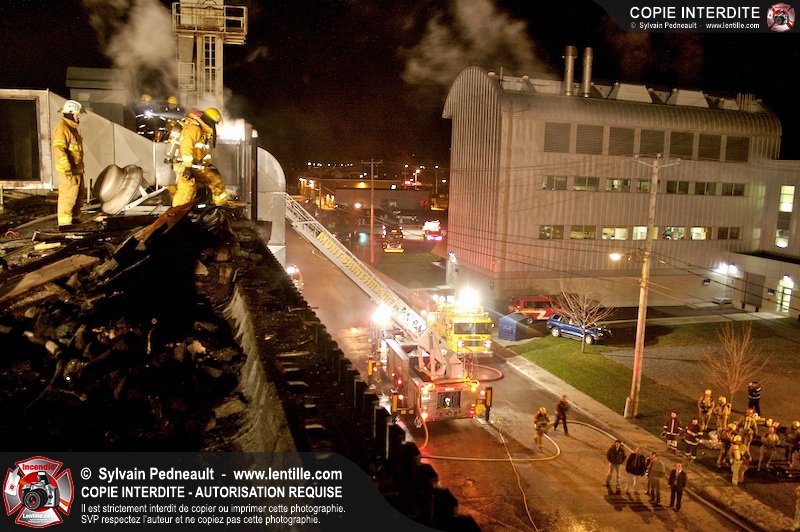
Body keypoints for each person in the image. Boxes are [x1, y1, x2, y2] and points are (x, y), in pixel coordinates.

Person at [170, 107, 229, 208]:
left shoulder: (202, 131)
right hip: (185, 166)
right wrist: (188, 167)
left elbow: (202, 152)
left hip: (195, 166)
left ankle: (221, 207)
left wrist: (208, 165)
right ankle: (176, 214)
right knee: (186, 191)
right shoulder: (194, 129)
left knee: (213, 182)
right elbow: (186, 147)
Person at [52, 99, 86, 230]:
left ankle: (75, 220)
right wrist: (67, 167)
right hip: (68, 171)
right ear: (70, 114)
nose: (79, 117)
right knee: (68, 197)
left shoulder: (72, 128)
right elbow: (59, 149)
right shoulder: (62, 128)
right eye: (77, 114)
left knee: (78, 196)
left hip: (76, 170)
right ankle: (65, 225)